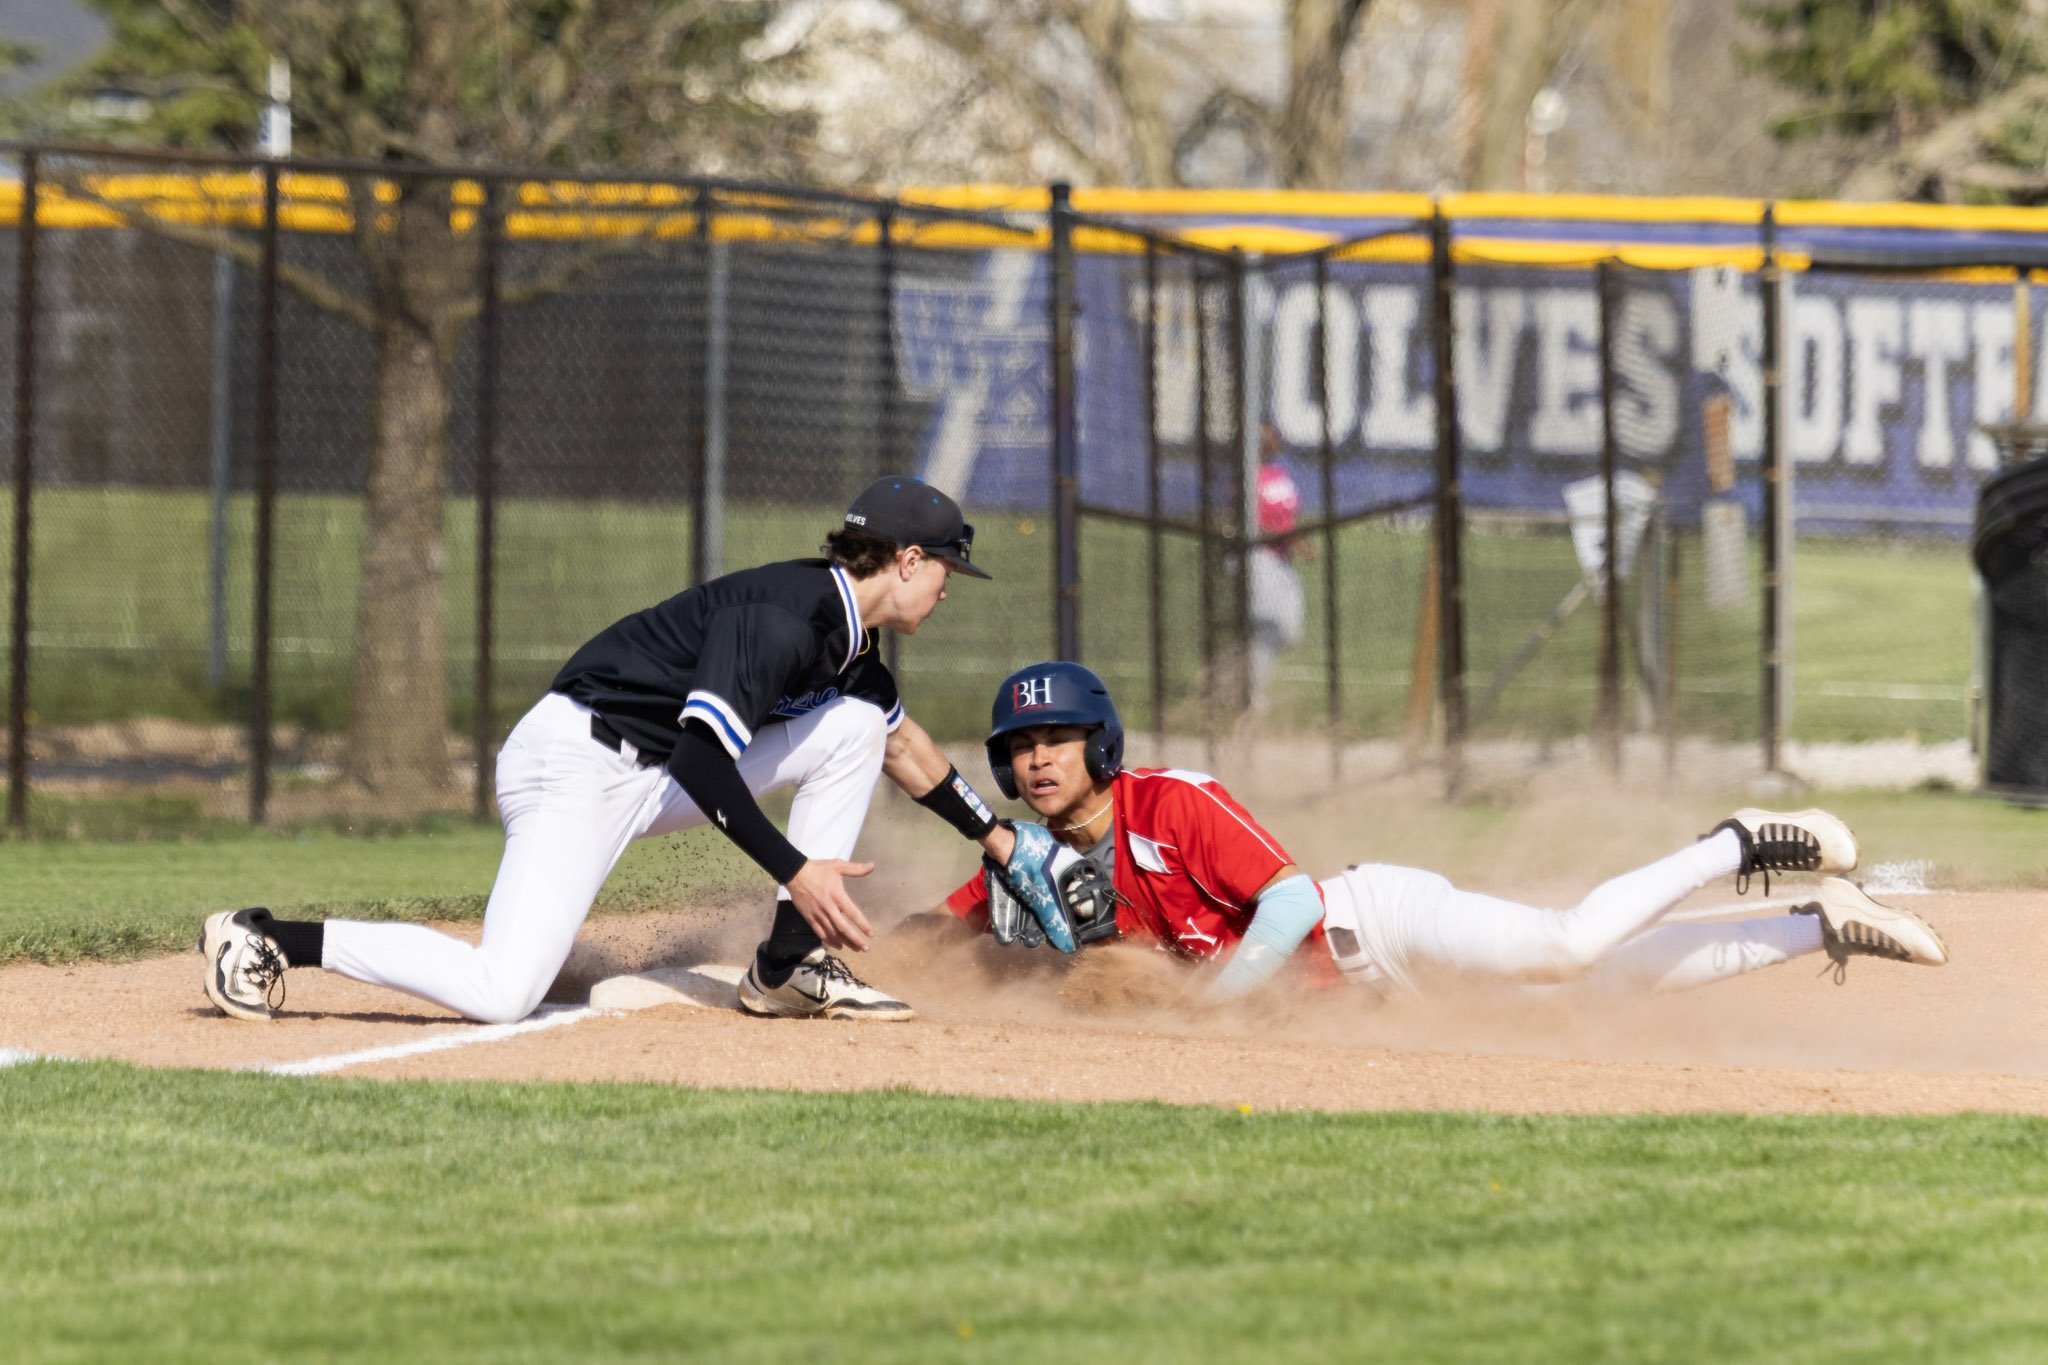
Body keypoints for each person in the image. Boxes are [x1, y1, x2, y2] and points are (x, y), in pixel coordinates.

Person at [199, 476, 1053, 1026]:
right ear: (907, 560)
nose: (948, 586)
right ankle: (268, 938)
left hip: (648, 774)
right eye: (946, 568)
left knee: (862, 727)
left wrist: (999, 839)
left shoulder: (852, 646)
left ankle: (788, 965)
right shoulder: (783, 618)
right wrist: (797, 868)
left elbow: (904, 746)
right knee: (502, 993)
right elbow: (701, 761)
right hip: (574, 760)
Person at [933, 661, 1948, 1005]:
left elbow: (1286, 900)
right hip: (1371, 1007)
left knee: (1564, 949)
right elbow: (947, 928)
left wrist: (1216, 1003)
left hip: (1373, 925)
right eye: (1020, 746)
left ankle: (1736, 841)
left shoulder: (1171, 802)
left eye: (1057, 737)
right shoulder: (1030, 864)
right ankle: (1819, 922)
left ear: (1098, 743)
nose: (1038, 760)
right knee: (1604, 992)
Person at [1247, 423, 1312, 711]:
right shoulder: (1247, 477)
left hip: (1283, 560)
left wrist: (1297, 539)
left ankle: (1237, 678)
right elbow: (1249, 524)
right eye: (1265, 435)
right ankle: (1250, 693)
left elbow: (1289, 518)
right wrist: (1287, 537)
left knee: (1290, 629)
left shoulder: (1280, 475)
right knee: (1268, 626)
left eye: (1273, 434)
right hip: (1260, 558)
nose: (1273, 439)